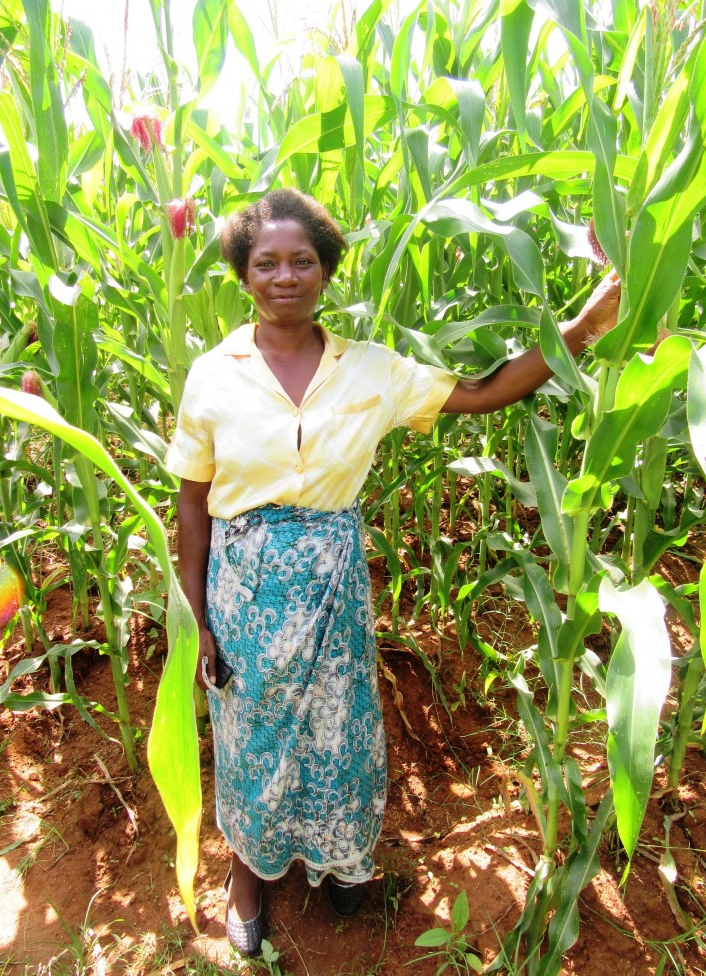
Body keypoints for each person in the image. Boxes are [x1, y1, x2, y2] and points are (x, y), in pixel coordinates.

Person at [164, 188, 620, 956]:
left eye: (302, 261)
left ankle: (340, 859)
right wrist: (197, 617)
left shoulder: (372, 369)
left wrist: (583, 327)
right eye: (266, 262)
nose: (285, 276)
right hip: (246, 591)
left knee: (340, 729)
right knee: (254, 734)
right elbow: (192, 504)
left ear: (325, 271)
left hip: (334, 584)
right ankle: (249, 872)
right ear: (242, 274)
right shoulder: (214, 376)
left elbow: (482, 393)